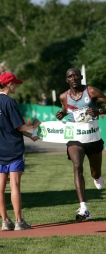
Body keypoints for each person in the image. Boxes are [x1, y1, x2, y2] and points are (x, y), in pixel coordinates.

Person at [56, 68, 106, 221]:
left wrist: (99, 110)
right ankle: (84, 207)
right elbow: (67, 109)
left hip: (93, 137)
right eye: (70, 76)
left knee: (95, 172)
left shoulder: (91, 91)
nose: (74, 78)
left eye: (76, 75)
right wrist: (62, 113)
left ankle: (97, 177)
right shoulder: (64, 96)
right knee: (77, 166)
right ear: (67, 80)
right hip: (75, 137)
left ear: (81, 77)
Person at [0, 72, 41, 231]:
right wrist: (34, 126)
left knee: (1, 187)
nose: (16, 86)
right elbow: (19, 126)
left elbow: (12, 126)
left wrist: (30, 136)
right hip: (14, 149)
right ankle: (18, 221)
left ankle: (5, 221)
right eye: (14, 84)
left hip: (0, 149)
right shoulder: (10, 102)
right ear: (9, 85)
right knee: (15, 184)